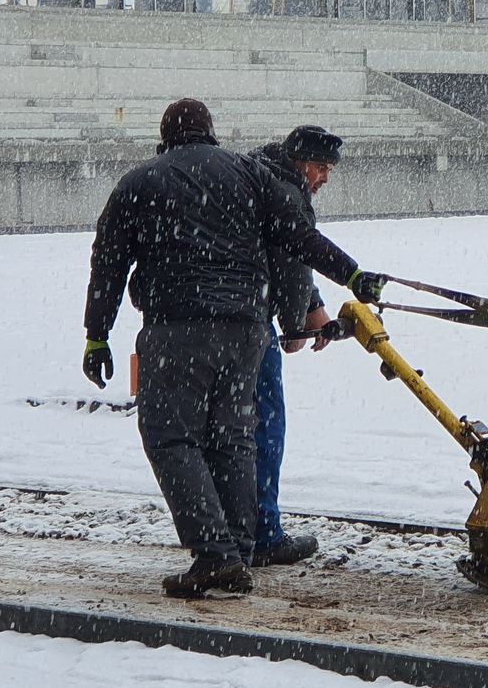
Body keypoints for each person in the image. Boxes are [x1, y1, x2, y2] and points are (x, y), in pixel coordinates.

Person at [81, 99, 387, 599]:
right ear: (211, 132)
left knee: (172, 438)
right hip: (246, 328)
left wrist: (97, 334)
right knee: (234, 437)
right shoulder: (248, 173)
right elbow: (297, 235)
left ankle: (216, 556)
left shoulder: (138, 183)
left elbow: (108, 264)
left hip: (176, 328)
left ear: (165, 135)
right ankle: (242, 547)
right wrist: (351, 274)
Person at [246, 126, 343, 566]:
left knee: (225, 431)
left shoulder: (256, 174)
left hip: (207, 320)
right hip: (250, 322)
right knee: (265, 425)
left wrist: (313, 305)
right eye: (321, 168)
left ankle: (223, 531)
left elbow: (287, 254)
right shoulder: (285, 190)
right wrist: (296, 325)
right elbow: (291, 254)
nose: (324, 178)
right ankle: (263, 534)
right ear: (302, 162)